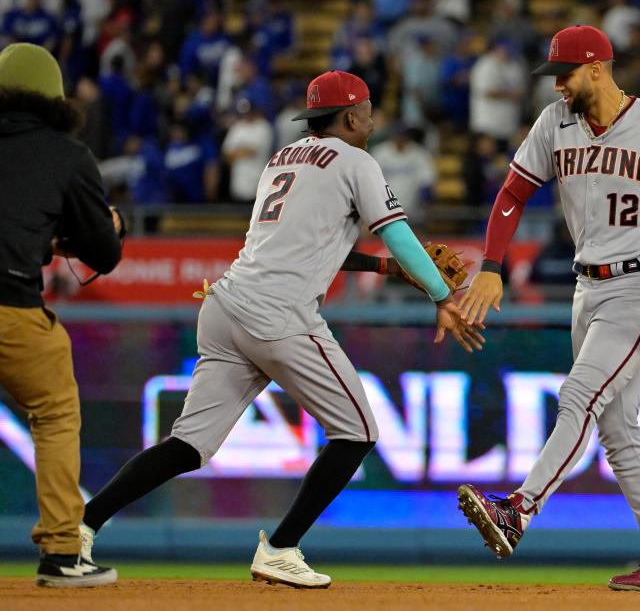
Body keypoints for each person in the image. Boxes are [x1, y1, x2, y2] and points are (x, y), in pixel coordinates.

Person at [78, 70, 484, 589]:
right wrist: (443, 295)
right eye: (368, 108)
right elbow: (400, 235)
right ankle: (283, 547)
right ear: (352, 116)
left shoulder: (281, 158)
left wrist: (383, 270)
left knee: (187, 446)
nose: (373, 118)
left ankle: (84, 525)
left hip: (226, 307)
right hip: (279, 314)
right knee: (357, 431)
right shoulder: (357, 160)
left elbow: (308, 241)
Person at [455, 25, 640, 592]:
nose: (557, 84)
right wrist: (490, 266)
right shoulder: (553, 124)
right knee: (618, 431)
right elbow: (512, 194)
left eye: (565, 73)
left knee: (578, 396)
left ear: (598, 69)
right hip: (587, 289)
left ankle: (519, 508)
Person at [0, 43, 123, 587]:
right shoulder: (65, 154)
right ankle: (61, 551)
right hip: (12, 308)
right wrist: (97, 228)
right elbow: (104, 252)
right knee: (54, 413)